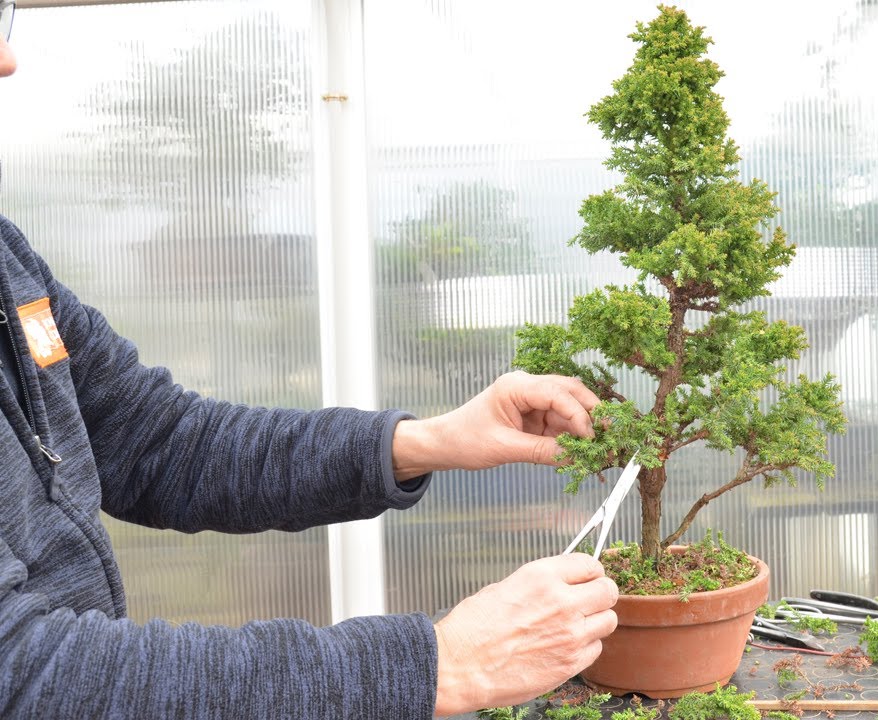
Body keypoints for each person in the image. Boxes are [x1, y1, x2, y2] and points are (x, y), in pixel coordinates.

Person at [0, 11, 617, 718]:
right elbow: (21, 673)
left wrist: (423, 442)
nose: (8, 59)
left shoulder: (7, 262)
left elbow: (156, 441)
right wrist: (439, 667)